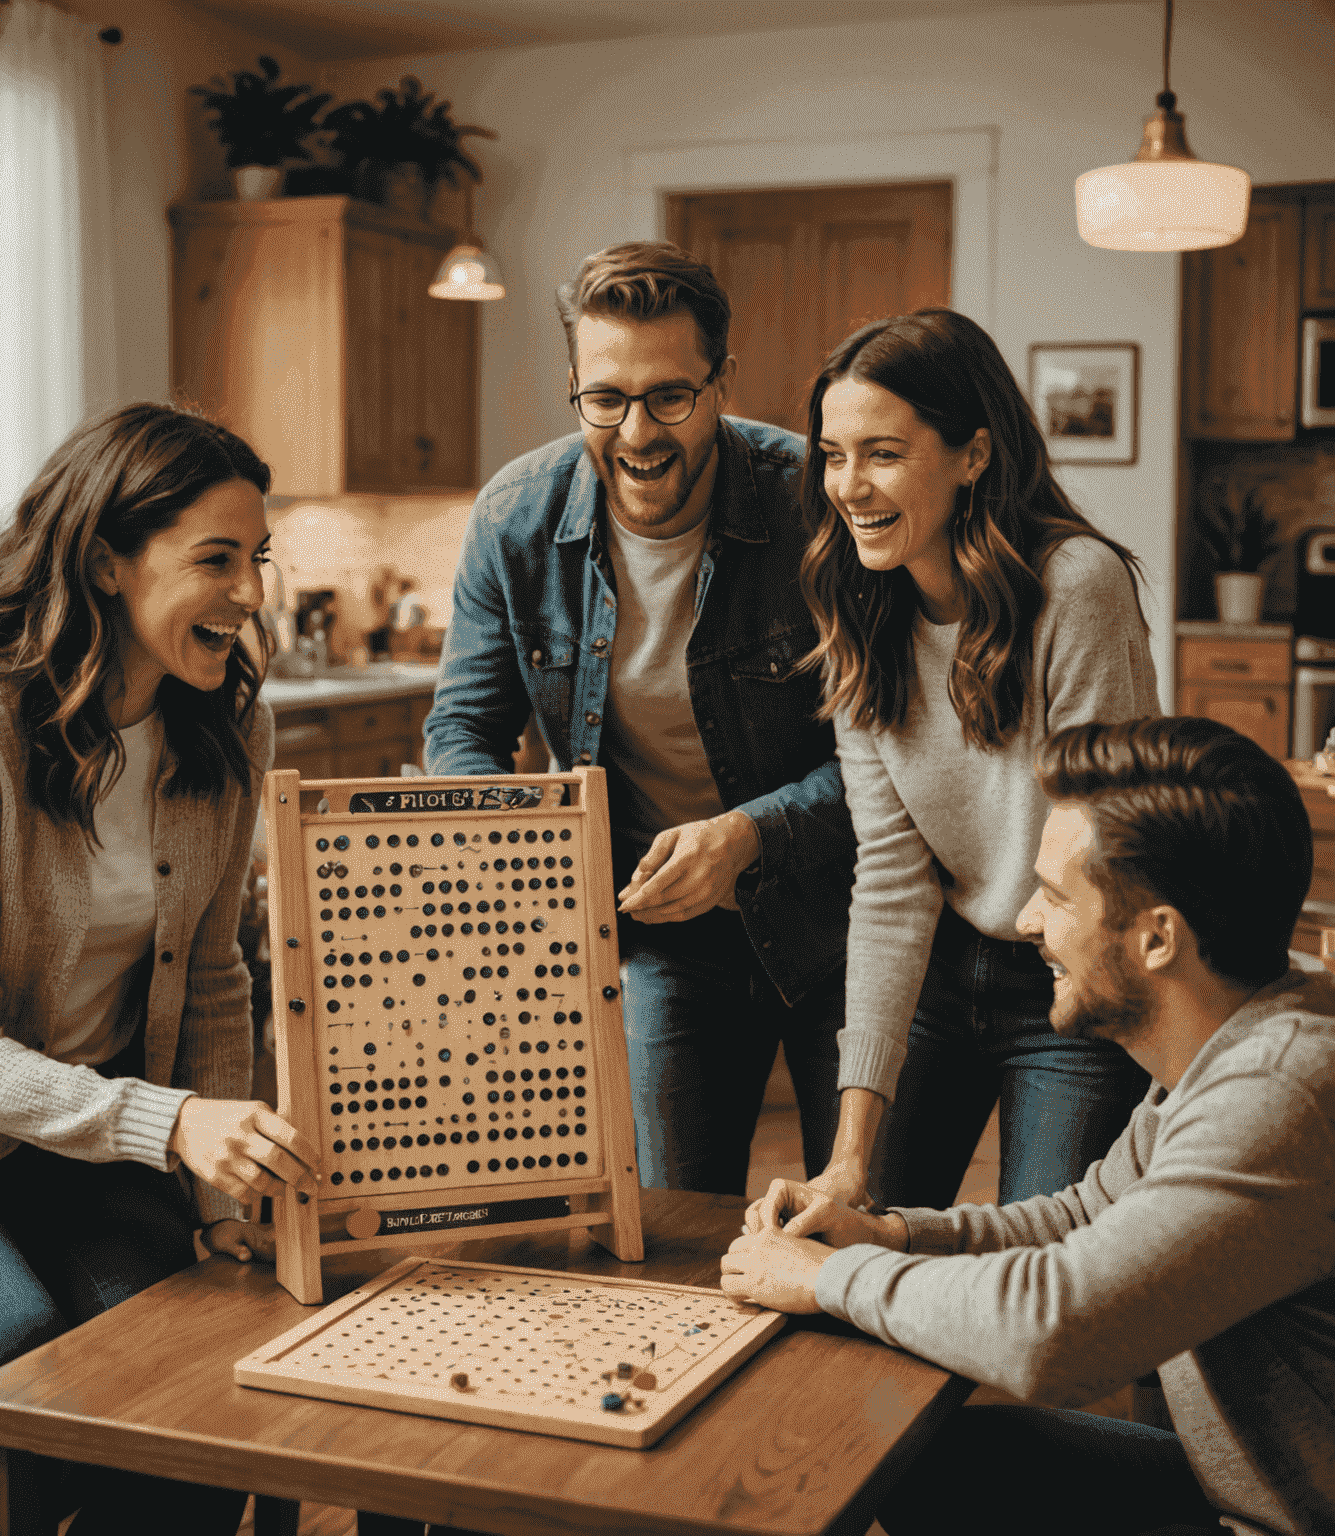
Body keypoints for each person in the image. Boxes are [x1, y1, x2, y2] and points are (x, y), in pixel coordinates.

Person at [0, 404, 321, 1535]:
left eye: (258, 560)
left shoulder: (227, 732)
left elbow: (212, 979)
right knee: (20, 1351)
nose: (250, 594)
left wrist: (215, 1197)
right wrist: (172, 1126)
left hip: (93, 1167)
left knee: (189, 1377)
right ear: (107, 558)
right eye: (215, 559)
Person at [723, 716, 1332, 1536]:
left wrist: (825, 1279)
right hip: (1228, 1499)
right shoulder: (1225, 1045)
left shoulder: (1278, 1089)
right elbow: (1083, 1218)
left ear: (1158, 938)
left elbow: (1056, 1331)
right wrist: (886, 1233)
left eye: (1055, 894)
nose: (1025, 922)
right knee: (912, 1455)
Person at [423, 241, 856, 1196]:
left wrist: (749, 835)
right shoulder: (515, 519)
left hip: (840, 917)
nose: (637, 432)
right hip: (654, 929)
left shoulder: (812, 506)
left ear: (721, 382)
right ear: (574, 382)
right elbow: (461, 731)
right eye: (606, 398)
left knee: (857, 1218)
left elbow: (888, 754)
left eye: (670, 396)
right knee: (670, 1217)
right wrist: (529, 847)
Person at [794, 308, 1157, 1212]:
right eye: (833, 455)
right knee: (854, 1225)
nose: (849, 486)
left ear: (974, 455)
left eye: (882, 453)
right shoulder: (856, 610)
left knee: (1050, 1277)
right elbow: (889, 875)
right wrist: (848, 1154)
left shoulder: (1077, 587)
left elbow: (1099, 836)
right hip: (943, 974)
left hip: (1073, 974)